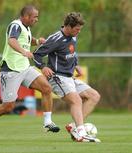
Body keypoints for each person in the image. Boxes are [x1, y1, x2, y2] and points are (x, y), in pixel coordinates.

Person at [0, 5, 60, 140]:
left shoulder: (26, 28)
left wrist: (37, 41)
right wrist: (24, 52)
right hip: (11, 69)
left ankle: (47, 122)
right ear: (26, 16)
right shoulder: (15, 25)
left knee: (46, 88)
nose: (37, 20)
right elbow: (12, 41)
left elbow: (25, 41)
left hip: (25, 68)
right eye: (35, 17)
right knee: (8, 106)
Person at [33, 12, 101, 142]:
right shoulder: (56, 38)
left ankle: (74, 126)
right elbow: (36, 54)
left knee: (94, 96)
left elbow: (72, 52)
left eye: (80, 29)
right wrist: (43, 67)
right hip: (57, 77)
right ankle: (80, 133)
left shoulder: (73, 36)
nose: (79, 32)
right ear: (68, 26)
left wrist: (76, 65)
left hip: (69, 77)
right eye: (77, 29)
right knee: (76, 100)